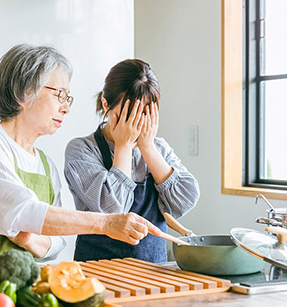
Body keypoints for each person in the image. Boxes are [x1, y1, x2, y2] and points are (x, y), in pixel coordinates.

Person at [0, 45, 160, 283]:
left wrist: (29, 240)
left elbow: (57, 242)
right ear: (24, 93)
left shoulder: (45, 164)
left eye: (68, 98)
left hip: (16, 284)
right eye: (59, 95)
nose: (66, 108)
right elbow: (24, 212)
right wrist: (107, 223)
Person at [64, 59, 200, 263]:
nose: (134, 125)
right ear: (105, 104)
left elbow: (184, 202)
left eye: (143, 115)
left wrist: (148, 148)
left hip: (153, 273)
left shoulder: (159, 148)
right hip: (96, 272)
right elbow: (113, 210)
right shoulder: (81, 149)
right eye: (128, 115)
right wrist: (124, 146)